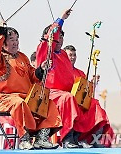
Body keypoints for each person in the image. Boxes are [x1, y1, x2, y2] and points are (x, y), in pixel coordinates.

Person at [36, 10, 110, 148]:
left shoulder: (63, 54)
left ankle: (88, 139)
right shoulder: (45, 50)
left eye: (62, 37)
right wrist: (62, 19)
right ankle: (67, 138)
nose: (60, 40)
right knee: (68, 98)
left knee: (93, 103)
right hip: (51, 94)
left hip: (67, 94)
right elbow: (50, 35)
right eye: (57, 37)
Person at [0, 21, 62, 150]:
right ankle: (24, 139)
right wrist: (0, 31)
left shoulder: (23, 57)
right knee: (19, 103)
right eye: (11, 39)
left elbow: (33, 76)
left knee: (48, 103)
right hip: (6, 99)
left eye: (17, 39)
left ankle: (41, 138)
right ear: (3, 42)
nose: (15, 42)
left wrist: (41, 68)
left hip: (26, 97)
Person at [64, 45, 113, 147]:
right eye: (70, 55)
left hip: (80, 104)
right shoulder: (61, 71)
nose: (72, 57)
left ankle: (94, 138)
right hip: (68, 104)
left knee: (95, 104)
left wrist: (92, 84)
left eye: (74, 55)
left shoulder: (80, 73)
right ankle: (74, 138)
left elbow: (85, 93)